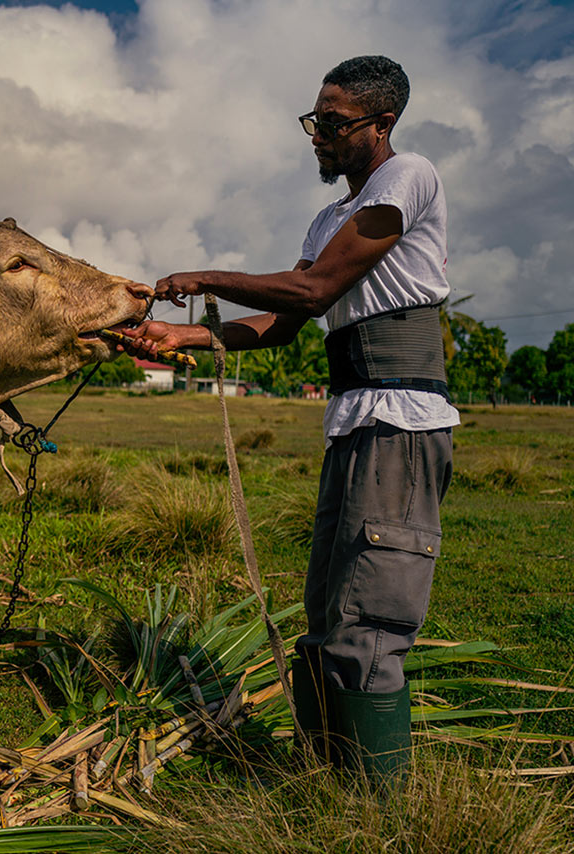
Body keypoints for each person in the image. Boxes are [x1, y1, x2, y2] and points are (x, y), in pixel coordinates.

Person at [120, 55, 457, 787]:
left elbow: (311, 289)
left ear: (382, 123)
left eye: (332, 123)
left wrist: (203, 276)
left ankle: (374, 816)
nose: (317, 136)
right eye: (314, 121)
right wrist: (181, 338)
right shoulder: (330, 216)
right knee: (328, 612)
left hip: (400, 423)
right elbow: (283, 323)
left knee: (368, 620)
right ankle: (321, 784)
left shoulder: (408, 176)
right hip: (353, 420)